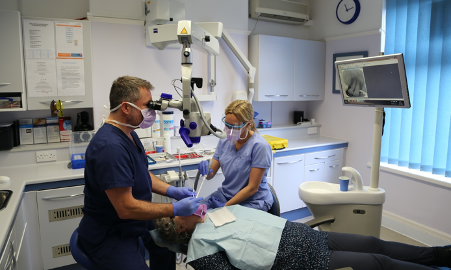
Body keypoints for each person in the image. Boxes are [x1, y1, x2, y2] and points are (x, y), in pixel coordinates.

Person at [78, 76, 203, 270]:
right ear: (126, 108)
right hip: (111, 234)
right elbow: (126, 208)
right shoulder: (110, 147)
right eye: (147, 106)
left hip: (133, 222)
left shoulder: (129, 134)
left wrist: (171, 190)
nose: (151, 112)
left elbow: (141, 173)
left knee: (168, 245)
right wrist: (174, 209)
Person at [154, 205, 451, 270]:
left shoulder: (217, 212)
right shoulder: (200, 250)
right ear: (181, 228)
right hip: (303, 259)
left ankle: (440, 255)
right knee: (377, 262)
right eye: (184, 210)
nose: (194, 205)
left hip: (309, 236)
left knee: (374, 243)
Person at [198, 100, 274, 211]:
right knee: (195, 212)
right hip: (226, 195)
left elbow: (252, 188)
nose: (229, 130)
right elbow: (211, 174)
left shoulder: (260, 146)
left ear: (248, 124)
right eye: (227, 125)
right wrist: (206, 170)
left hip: (252, 201)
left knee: (220, 222)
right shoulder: (224, 140)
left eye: (234, 127)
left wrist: (225, 207)